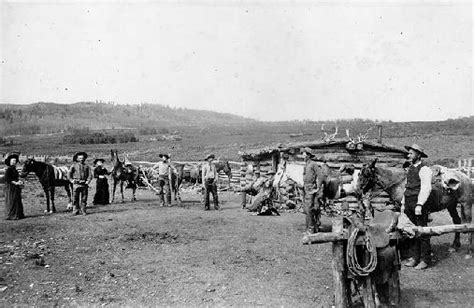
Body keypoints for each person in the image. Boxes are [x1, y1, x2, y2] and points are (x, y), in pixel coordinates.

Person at [403, 144, 432, 270]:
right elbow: (407, 186)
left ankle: (425, 259)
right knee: (412, 231)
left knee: (422, 231)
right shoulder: (410, 168)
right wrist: (404, 204)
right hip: (409, 202)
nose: (408, 155)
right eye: (408, 153)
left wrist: (419, 204)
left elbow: (426, 188)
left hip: (419, 203)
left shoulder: (424, 169)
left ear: (418, 155)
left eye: (411, 153)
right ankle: (415, 258)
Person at [301, 147, 325, 235]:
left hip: (311, 189)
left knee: (309, 209)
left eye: (304, 153)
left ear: (308, 155)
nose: (303, 155)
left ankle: (310, 230)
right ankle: (310, 228)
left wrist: (318, 188)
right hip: (306, 188)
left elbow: (321, 176)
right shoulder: (306, 164)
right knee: (306, 209)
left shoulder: (313, 164)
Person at [3, 152, 25, 220]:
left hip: (16, 187)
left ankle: (18, 214)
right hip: (10, 187)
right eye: (13, 161)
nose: (14, 162)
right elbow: (7, 178)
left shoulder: (14, 169)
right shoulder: (9, 169)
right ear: (10, 162)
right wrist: (15, 183)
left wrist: (20, 182)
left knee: (17, 200)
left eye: (15, 161)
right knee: (11, 200)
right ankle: (12, 215)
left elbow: (17, 177)